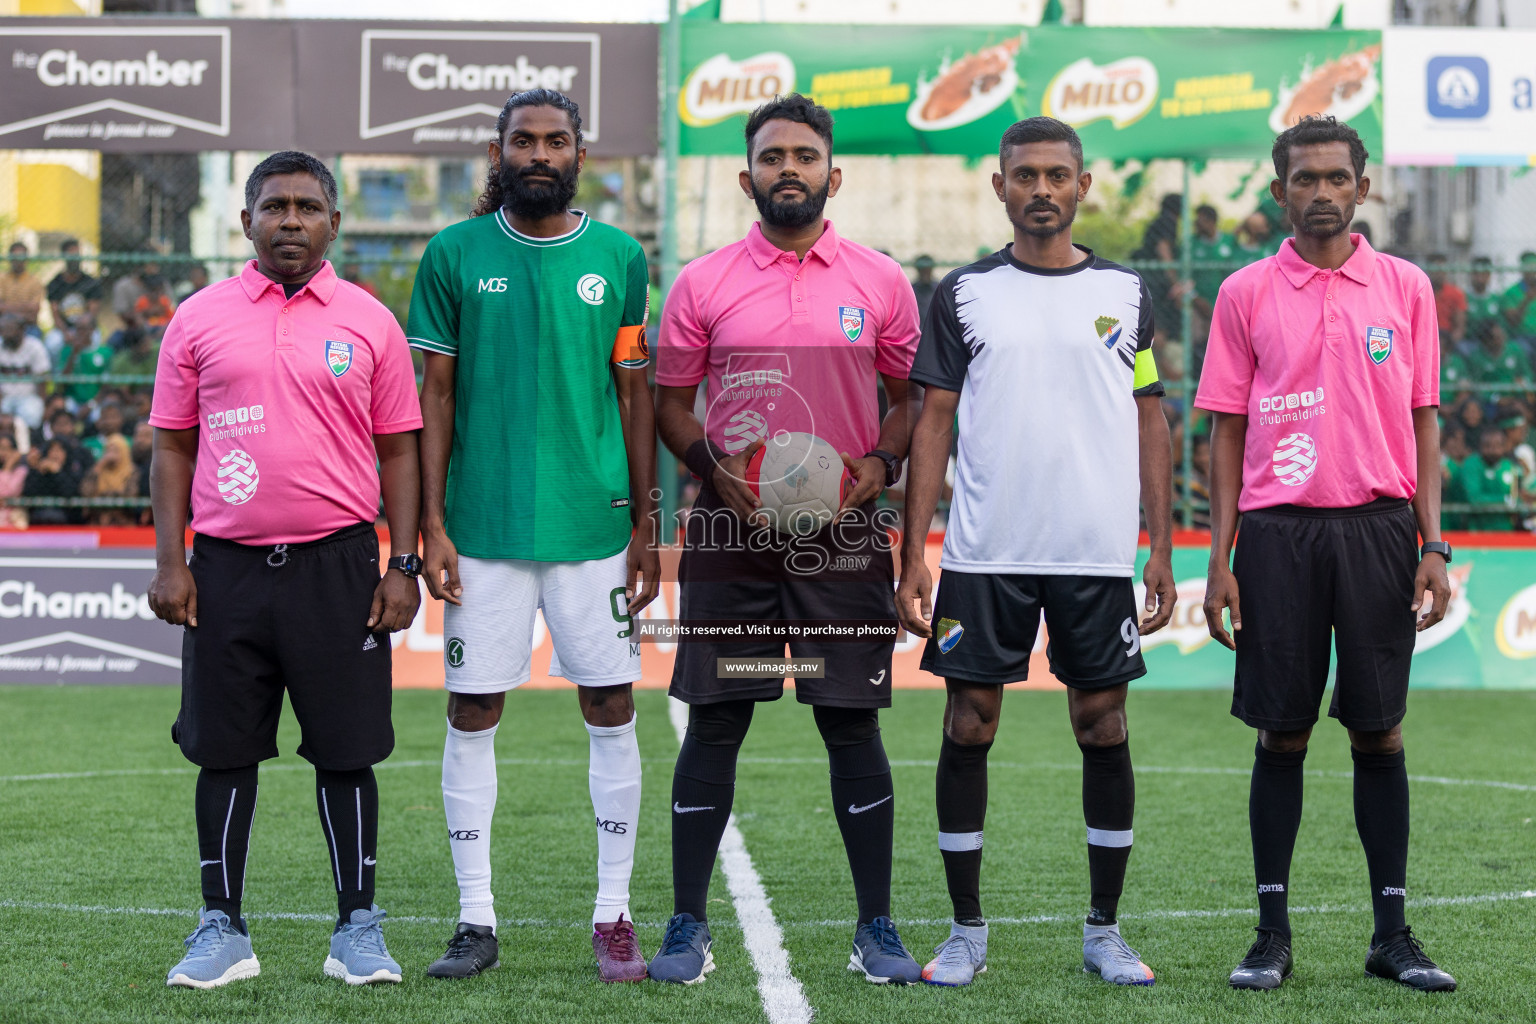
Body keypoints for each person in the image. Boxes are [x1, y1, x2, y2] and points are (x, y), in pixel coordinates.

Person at [895, 116, 1174, 989]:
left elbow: (1149, 415)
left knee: (1104, 725)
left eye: (1058, 174)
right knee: (967, 723)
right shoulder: (965, 294)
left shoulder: (1127, 292)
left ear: (1082, 185)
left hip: (1094, 555)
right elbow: (933, 420)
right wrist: (915, 551)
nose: (1041, 188)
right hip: (986, 556)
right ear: (1001, 186)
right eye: (1026, 175)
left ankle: (1104, 931)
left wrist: (1161, 545)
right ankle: (966, 929)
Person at [650, 93, 923, 986]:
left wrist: (881, 463)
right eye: (772, 158)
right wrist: (713, 467)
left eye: (804, 156)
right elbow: (671, 402)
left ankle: (875, 927)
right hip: (731, 532)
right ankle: (688, 924)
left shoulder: (880, 281)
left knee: (850, 721)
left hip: (843, 536)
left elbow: (908, 397)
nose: (789, 171)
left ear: (831, 175)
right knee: (718, 718)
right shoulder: (703, 281)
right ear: (748, 177)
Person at [146, 150, 423, 990]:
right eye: (275, 207)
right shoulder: (197, 317)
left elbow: (400, 451)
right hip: (224, 570)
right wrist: (172, 562)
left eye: (308, 207)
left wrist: (401, 564)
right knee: (223, 752)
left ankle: (357, 929)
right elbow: (170, 444)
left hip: (339, 569)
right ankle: (222, 928)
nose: (291, 220)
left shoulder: (371, 322)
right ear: (247, 222)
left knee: (347, 753)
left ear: (334, 223)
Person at [1197, 115, 1457, 992]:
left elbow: (1425, 420)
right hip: (1277, 535)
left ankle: (1393, 934)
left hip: (1382, 530)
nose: (1320, 193)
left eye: (1335, 178)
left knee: (1380, 732)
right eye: (1303, 180)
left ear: (1362, 187)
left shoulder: (1407, 288)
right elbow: (1225, 431)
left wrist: (1434, 542)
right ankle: (1272, 933)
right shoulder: (1244, 293)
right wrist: (1218, 555)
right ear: (1280, 193)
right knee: (1285, 731)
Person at [408, 89, 660, 985]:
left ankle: (614, 915)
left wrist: (647, 526)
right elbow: (432, 397)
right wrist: (429, 524)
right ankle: (475, 919)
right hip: (481, 526)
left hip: (594, 527)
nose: (540, 153)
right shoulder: (453, 253)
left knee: (610, 706)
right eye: (525, 140)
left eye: (557, 140)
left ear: (580, 154)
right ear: (498, 150)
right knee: (474, 709)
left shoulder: (620, 258)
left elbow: (634, 394)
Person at [46, 239, 103, 348]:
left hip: (86, 329)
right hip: (64, 329)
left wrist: (82, 333)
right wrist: (65, 333)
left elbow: (92, 313)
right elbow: (55, 314)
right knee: (52, 344)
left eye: (77, 255)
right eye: (71, 256)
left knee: (94, 341)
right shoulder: (55, 284)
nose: (75, 260)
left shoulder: (90, 283)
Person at [1460, 426, 1519, 530]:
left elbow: (1515, 498)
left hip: (1505, 531)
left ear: (1504, 447)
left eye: (1497, 446)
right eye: (1487, 446)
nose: (1493, 450)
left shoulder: (1508, 466)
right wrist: (1504, 500)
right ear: (1480, 446)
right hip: (1476, 530)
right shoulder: (1471, 464)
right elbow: (1474, 499)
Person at [0, 312, 51, 430]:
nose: (6, 334)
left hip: (29, 397)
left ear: (21, 330)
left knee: (32, 415)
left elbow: (43, 380)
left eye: (10, 329)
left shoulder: (35, 347)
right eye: (3, 330)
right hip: (4, 397)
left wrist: (43, 404)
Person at [0, 242, 44, 332]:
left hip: (27, 325)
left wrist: (8, 307)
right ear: (10, 258)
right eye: (15, 257)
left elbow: (34, 309)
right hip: (4, 323)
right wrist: (24, 308)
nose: (18, 261)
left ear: (26, 259)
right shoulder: (2, 279)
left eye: (21, 257)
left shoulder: (35, 281)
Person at [1426, 254, 1467, 346]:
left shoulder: (1456, 293)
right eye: (1436, 270)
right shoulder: (1421, 293)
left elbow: (1460, 327)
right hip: (1426, 337)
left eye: (1442, 269)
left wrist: (1450, 343)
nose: (1439, 274)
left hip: (1448, 337)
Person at [1501, 251, 1536, 340]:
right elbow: (1513, 321)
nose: (1533, 272)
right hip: (1521, 337)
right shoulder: (1511, 292)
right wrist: (1526, 300)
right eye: (1530, 269)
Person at [1465, 256, 1500, 339]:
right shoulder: (1463, 297)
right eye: (1476, 274)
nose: (1480, 278)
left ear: (1489, 275)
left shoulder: (1496, 298)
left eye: (1484, 274)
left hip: (1491, 342)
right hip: (1469, 341)